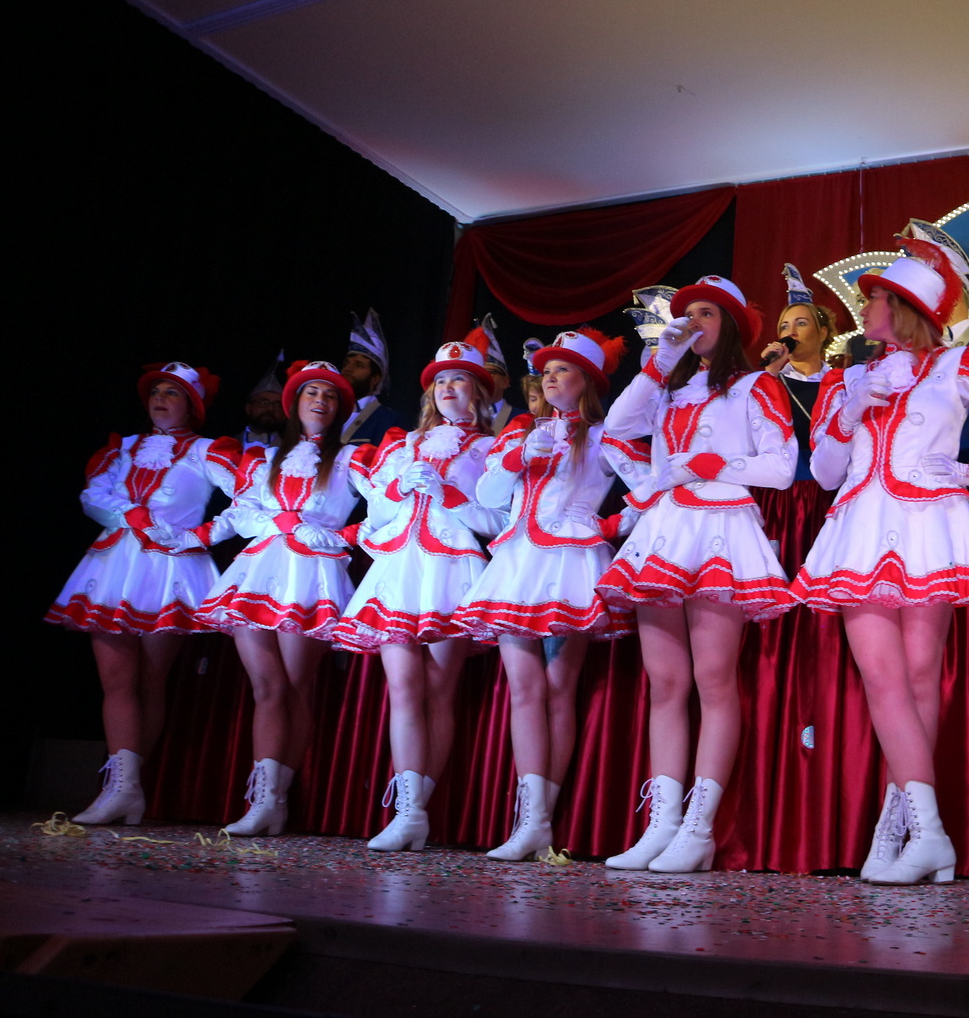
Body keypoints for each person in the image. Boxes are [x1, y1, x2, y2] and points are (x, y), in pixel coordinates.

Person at [794, 237, 969, 884]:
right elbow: (824, 471)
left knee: (921, 678)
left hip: (929, 524)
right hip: (861, 528)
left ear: (904, 307)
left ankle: (899, 833)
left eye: (874, 297)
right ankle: (927, 834)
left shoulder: (958, 364)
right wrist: (852, 409)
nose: (864, 306)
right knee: (882, 678)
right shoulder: (845, 379)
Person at [598, 275, 798, 873]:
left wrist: (714, 464)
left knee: (714, 679)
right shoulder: (667, 390)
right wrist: (660, 361)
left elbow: (782, 468)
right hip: (665, 532)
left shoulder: (756, 386)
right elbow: (616, 426)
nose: (694, 323)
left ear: (730, 325)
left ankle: (699, 828)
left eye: (708, 314)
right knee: (665, 683)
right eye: (688, 314)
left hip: (720, 527)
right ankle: (660, 824)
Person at [467, 329, 638, 861]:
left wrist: (608, 524)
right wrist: (517, 456)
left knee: (559, 689)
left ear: (588, 381)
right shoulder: (522, 432)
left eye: (563, 370)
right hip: (518, 564)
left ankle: (541, 819)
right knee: (523, 689)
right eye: (546, 371)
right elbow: (487, 495)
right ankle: (529, 819)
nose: (551, 378)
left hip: (570, 564)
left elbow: (650, 487)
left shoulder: (604, 435)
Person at [331, 337, 507, 851]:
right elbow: (376, 516)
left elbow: (498, 522)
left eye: (459, 380)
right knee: (404, 689)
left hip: (452, 570)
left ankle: (417, 811)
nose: (449, 388)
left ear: (478, 392)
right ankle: (408, 810)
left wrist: (449, 496)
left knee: (439, 690)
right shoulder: (401, 444)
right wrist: (398, 488)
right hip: (400, 571)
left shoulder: (493, 450)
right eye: (441, 381)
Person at [45, 362, 239, 825]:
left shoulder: (207, 451)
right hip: (114, 566)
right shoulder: (125, 448)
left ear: (192, 405)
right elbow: (92, 496)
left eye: (172, 393)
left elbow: (249, 499)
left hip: (169, 568)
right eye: (156, 391)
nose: (161, 399)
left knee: (151, 679)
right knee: (116, 681)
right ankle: (121, 788)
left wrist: (203, 534)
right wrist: (129, 514)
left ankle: (129, 788)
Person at [195, 361, 360, 836]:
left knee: (295, 687)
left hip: (311, 574)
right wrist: (279, 522)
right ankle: (262, 798)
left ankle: (277, 798)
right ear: (294, 403)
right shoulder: (264, 459)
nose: (320, 401)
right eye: (311, 393)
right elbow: (242, 512)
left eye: (330, 395)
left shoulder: (351, 459)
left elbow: (385, 508)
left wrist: (336, 535)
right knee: (266, 688)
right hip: (259, 572)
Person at [761, 264, 834, 476]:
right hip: (782, 486)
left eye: (801, 324)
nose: (791, 332)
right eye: (784, 327)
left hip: (831, 483)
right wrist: (769, 373)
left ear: (822, 333)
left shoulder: (841, 383)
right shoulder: (770, 381)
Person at [341, 309, 407, 445]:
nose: (348, 368)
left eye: (358, 365)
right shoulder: (330, 410)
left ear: (375, 378)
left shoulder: (389, 419)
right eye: (346, 363)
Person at [241, 358, 287, 451]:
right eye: (263, 403)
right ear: (248, 408)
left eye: (277, 405)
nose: (270, 408)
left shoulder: (292, 451)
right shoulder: (223, 445)